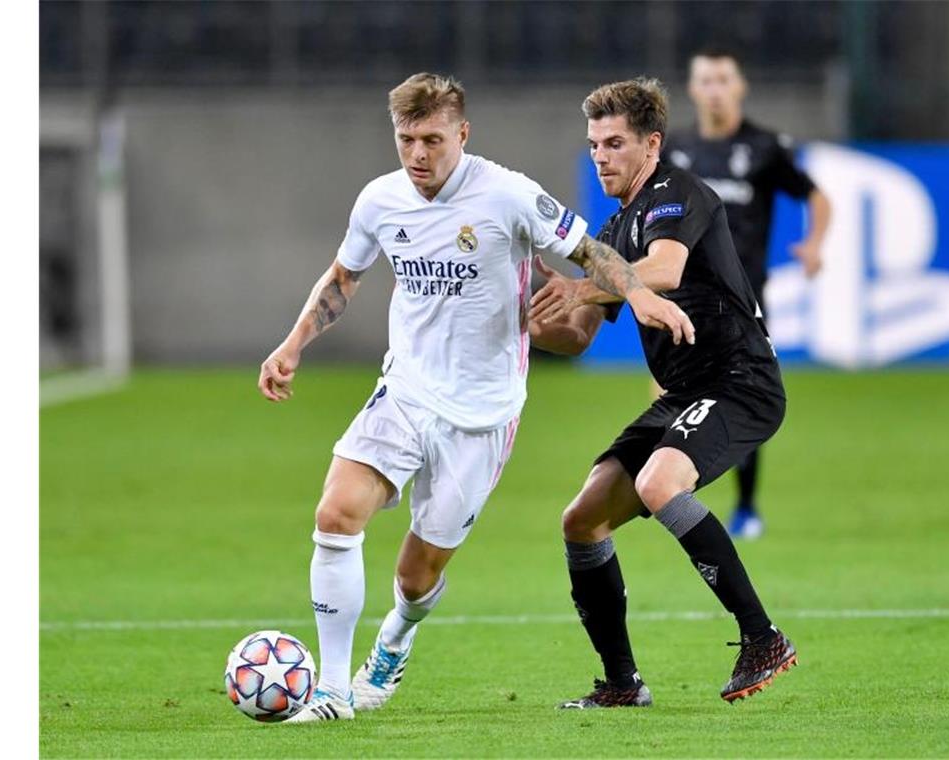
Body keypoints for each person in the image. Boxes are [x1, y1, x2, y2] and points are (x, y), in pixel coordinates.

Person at [257, 72, 692, 723]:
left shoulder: (509, 195)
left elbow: (588, 250)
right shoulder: (380, 200)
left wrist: (638, 292)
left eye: (432, 139)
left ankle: (396, 640)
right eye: (407, 139)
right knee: (336, 515)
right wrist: (293, 344)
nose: (418, 154)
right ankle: (334, 690)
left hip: (482, 417)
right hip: (404, 392)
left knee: (416, 575)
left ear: (462, 133)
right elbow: (344, 276)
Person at [527, 77, 798, 709]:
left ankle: (763, 638)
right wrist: (531, 317)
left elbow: (666, 270)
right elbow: (578, 337)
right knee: (582, 520)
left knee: (658, 483)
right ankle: (623, 685)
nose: (600, 156)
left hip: (739, 380)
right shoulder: (611, 228)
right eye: (594, 144)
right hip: (684, 392)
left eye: (615, 142)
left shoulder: (677, 191)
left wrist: (580, 286)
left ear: (651, 143)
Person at [661, 47, 831, 540]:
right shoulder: (675, 151)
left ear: (739, 87)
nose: (714, 89)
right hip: (685, 296)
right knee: (669, 394)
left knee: (744, 395)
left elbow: (816, 196)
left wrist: (815, 244)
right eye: (705, 80)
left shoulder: (764, 148)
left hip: (745, 300)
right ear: (693, 90)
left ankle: (747, 506)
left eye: (723, 80)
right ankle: (668, 490)